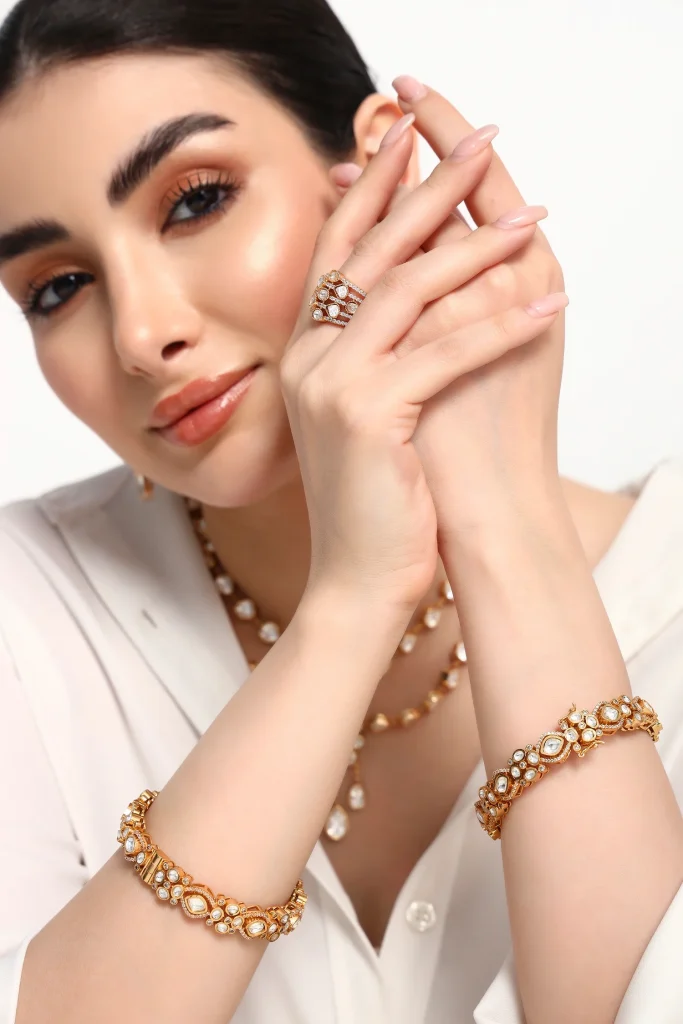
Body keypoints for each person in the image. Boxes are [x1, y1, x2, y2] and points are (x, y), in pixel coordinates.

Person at [0, 0, 682, 1021]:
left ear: (383, 171)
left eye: (194, 202)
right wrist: (353, 598)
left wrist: (503, 521)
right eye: (57, 287)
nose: (140, 334)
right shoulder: (28, 614)